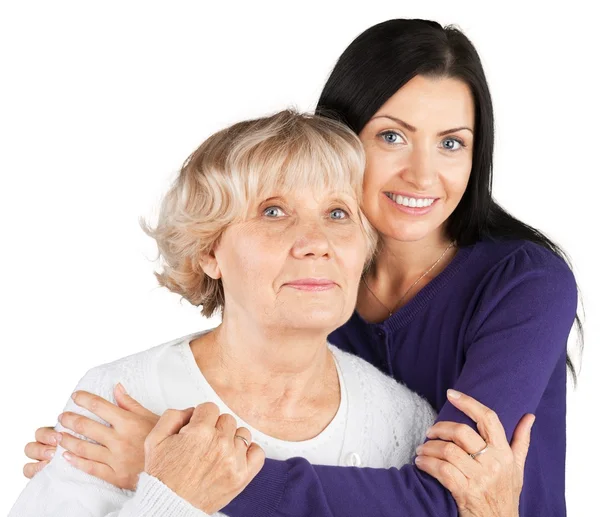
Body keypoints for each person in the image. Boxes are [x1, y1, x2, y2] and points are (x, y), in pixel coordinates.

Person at [23, 18, 577, 516]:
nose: (422, 174)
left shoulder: (525, 282)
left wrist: (166, 461)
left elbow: (446, 500)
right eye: (391, 136)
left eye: (452, 143)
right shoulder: (310, 292)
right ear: (339, 140)